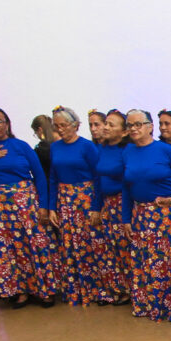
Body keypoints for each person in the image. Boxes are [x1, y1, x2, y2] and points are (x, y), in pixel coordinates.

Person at [0, 105, 60, 308]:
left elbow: (40, 176)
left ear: (7, 124)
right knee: (5, 248)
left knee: (35, 243)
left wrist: (43, 204)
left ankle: (43, 289)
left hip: (25, 201)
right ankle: (19, 291)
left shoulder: (20, 146)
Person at [120, 109, 171, 321]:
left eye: (138, 124)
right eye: (130, 125)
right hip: (140, 214)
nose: (134, 129)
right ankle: (150, 304)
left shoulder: (164, 150)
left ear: (150, 127)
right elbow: (126, 187)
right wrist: (126, 219)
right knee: (145, 260)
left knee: (167, 260)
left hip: (165, 213)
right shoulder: (128, 151)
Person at [46, 105, 113, 305]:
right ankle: (78, 290)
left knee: (92, 245)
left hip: (86, 198)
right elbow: (53, 178)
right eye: (56, 126)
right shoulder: (55, 147)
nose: (60, 129)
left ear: (75, 125)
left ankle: (101, 290)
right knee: (70, 246)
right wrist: (51, 207)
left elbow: (98, 176)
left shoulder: (87, 147)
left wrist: (96, 206)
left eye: (64, 125)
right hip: (64, 200)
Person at [95, 110, 132, 303]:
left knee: (126, 247)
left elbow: (128, 181)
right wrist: (97, 206)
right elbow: (98, 179)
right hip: (108, 205)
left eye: (111, 124)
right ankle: (119, 288)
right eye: (105, 124)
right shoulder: (101, 148)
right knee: (111, 248)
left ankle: (134, 289)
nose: (106, 127)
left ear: (124, 132)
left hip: (123, 202)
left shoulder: (127, 151)